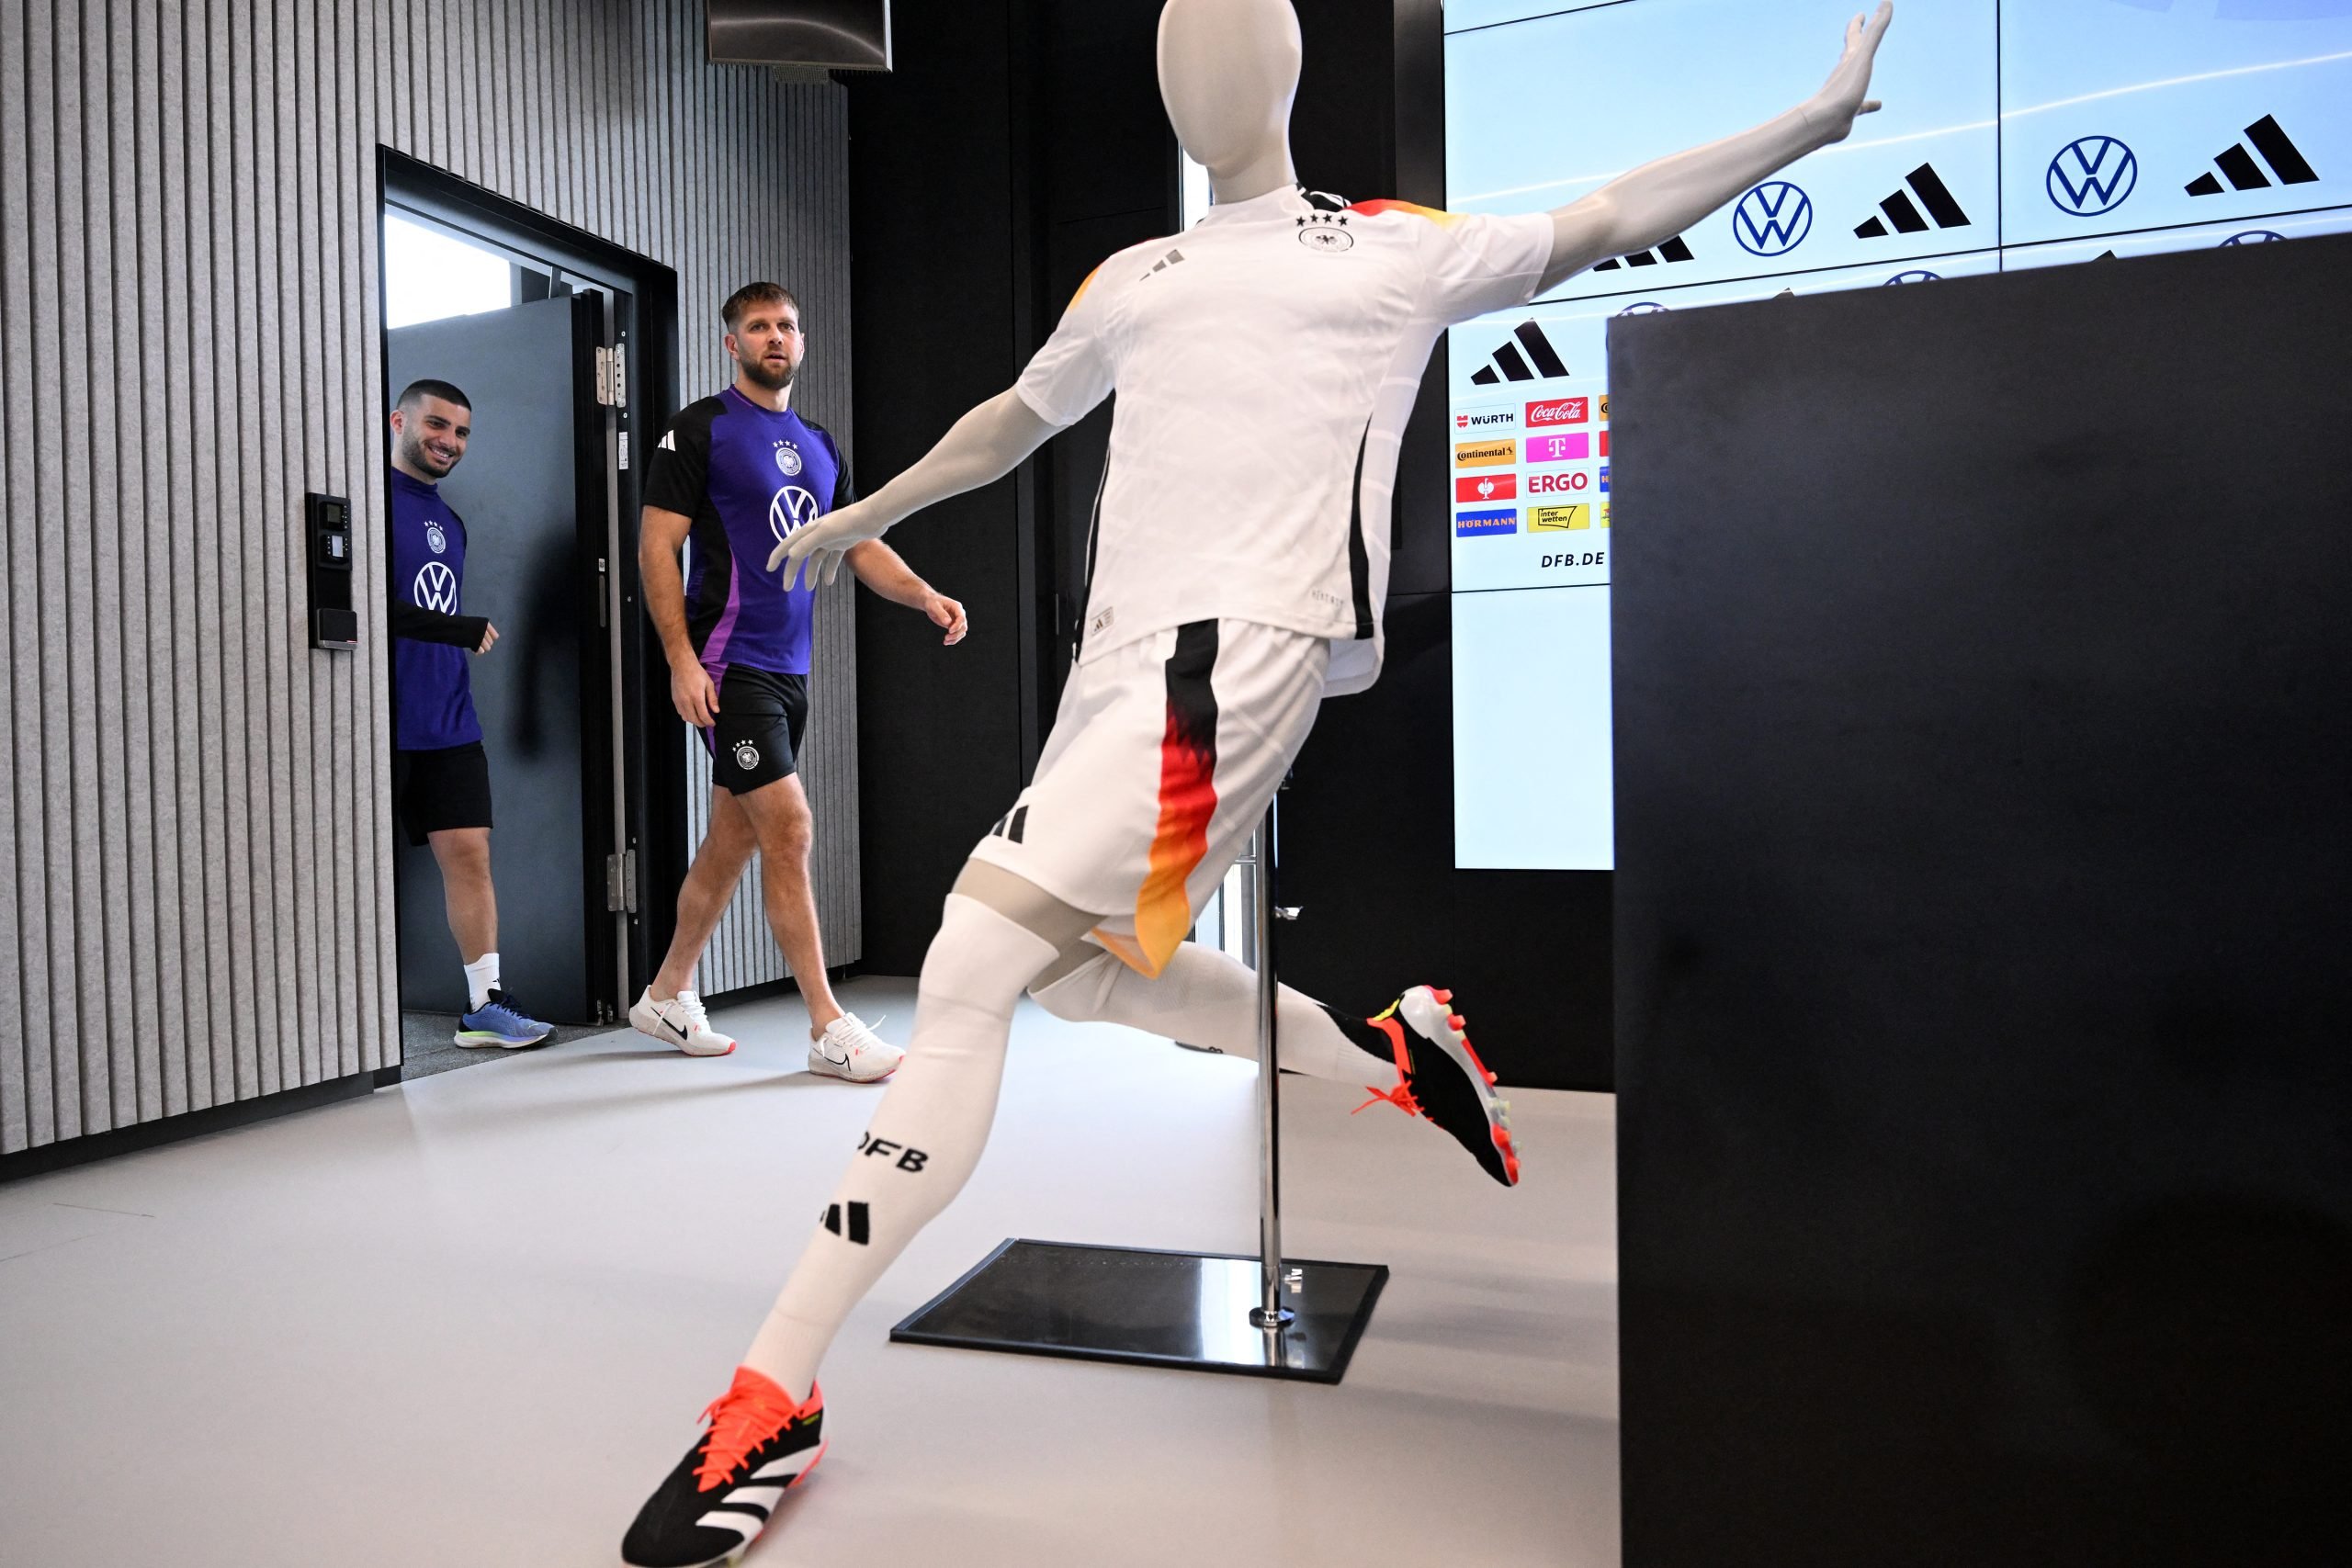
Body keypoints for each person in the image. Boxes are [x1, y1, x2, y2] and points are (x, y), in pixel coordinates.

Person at [621, 5, 1894, 1562]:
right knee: (1080, 970)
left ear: (1288, 67)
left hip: (1234, 661)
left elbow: (1607, 214)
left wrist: (1807, 121)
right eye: (1175, 42)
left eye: (1229, 35)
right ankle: (1392, 1050)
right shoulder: (1134, 274)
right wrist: (866, 507)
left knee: (972, 957)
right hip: (1117, 666)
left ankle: (775, 1388)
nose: (1197, 67)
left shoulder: (1386, 246)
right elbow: (1014, 419)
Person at [632, 282, 968, 1077]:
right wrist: (681, 659)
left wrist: (923, 593)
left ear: (802, 341)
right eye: (758, 327)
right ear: (732, 344)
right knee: (790, 828)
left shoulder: (820, 445)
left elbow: (858, 542)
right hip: (729, 663)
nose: (774, 337)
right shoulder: (699, 430)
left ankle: (666, 992)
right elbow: (655, 548)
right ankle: (827, 1028)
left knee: (733, 839)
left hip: (791, 669)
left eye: (785, 325)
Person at [387, 378, 553, 1049]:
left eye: (460, 432)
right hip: (378, 721)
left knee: (470, 854)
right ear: (399, 421)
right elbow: (355, 604)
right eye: (437, 425)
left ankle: (483, 1005)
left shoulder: (449, 520)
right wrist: (453, 630)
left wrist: (449, 636)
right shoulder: (368, 501)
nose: (449, 441)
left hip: (449, 716)